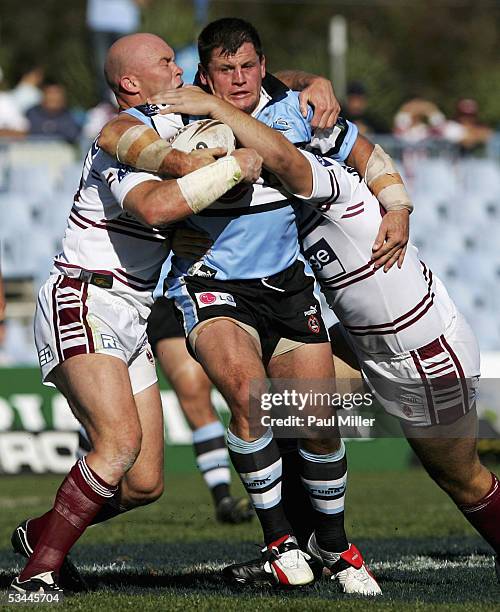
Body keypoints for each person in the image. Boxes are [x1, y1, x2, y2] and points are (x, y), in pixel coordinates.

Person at [97, 18, 414, 593]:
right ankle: (278, 542)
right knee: (248, 397)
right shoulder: (176, 116)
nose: (238, 80)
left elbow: (365, 153)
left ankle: (336, 547)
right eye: (225, 70)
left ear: (263, 67)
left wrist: (397, 205)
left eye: (248, 67)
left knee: (314, 423)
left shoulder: (295, 111)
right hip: (212, 286)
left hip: (289, 288)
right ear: (204, 74)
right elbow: (115, 134)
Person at [10, 33, 261, 595]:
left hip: (133, 310)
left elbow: (244, 80)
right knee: (118, 444)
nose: (182, 68)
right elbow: (154, 204)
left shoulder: (176, 122)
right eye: (167, 61)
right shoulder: (119, 136)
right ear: (130, 82)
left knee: (145, 483)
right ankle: (36, 578)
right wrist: (228, 168)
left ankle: (41, 535)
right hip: (86, 296)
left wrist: (313, 85)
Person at [223, 154, 500, 586]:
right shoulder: (289, 193)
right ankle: (299, 552)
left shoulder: (327, 180)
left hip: (419, 350)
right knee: (284, 408)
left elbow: (284, 149)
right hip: (360, 340)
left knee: (461, 478)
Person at [147, 293, 254, 524]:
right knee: (108, 403)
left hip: (172, 295)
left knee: (194, 392)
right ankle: (87, 492)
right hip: (118, 296)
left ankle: (223, 498)